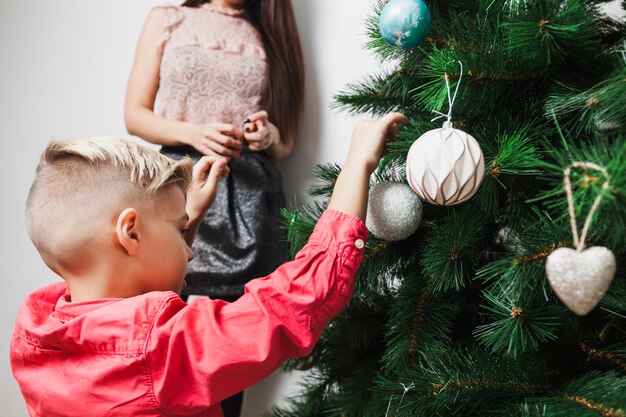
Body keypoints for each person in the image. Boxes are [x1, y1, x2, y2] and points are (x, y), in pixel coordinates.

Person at [11, 113, 407, 417]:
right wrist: (357, 165)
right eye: (177, 229)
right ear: (130, 233)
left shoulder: (35, 334)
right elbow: (292, 303)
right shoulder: (160, 350)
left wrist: (188, 219)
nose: (191, 253)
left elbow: (124, 312)